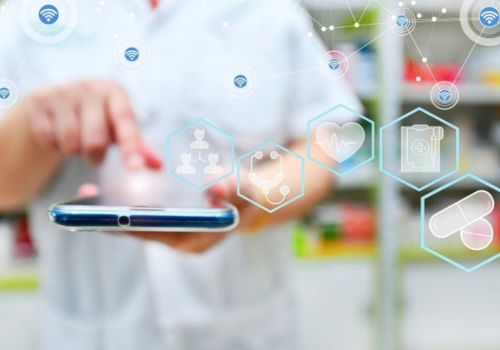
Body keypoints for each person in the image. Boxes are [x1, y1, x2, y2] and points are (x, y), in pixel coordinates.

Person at [0, 0, 360, 349]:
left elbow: (321, 143)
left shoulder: (268, 10)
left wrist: (261, 194)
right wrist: (36, 123)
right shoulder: (30, 15)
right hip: (90, 332)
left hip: (245, 327)